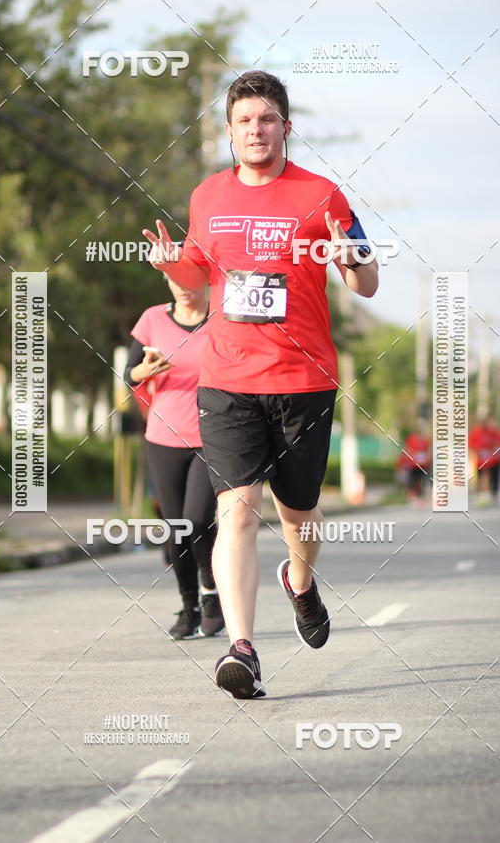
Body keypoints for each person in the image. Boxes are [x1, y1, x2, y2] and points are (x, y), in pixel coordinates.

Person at [143, 70, 379, 698]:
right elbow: (197, 276)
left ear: (286, 127)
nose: (256, 130)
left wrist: (348, 259)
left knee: (297, 514)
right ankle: (241, 649)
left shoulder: (323, 194)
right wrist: (174, 266)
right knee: (235, 508)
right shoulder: (207, 196)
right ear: (228, 132)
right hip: (228, 379)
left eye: (267, 119)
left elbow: (368, 278)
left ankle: (300, 582)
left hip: (303, 379)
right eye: (244, 121)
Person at [124, 276, 225, 640]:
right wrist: (145, 370)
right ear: (164, 278)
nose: (182, 286)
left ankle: (211, 593)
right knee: (176, 529)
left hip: (211, 438)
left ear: (206, 279)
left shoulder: (223, 318)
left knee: (197, 520)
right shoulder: (152, 318)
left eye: (190, 278)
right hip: (162, 437)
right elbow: (129, 375)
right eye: (173, 278)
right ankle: (189, 607)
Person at [469, 415, 500, 503]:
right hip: (480, 461)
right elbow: (470, 444)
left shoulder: (492, 432)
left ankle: (493, 494)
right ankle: (479, 494)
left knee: (492, 476)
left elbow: (497, 442)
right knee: (480, 477)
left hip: (491, 460)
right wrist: (479, 449)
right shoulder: (476, 432)